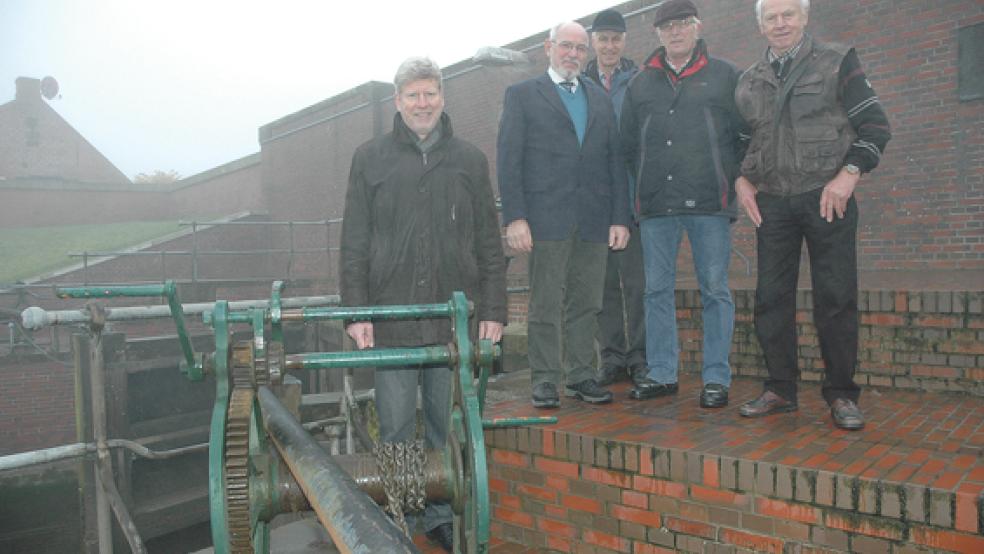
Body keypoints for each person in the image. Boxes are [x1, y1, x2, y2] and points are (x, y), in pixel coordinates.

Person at [339, 57, 507, 551]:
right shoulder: (369, 158)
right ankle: (399, 511)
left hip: (449, 319)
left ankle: (437, 514)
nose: (422, 103)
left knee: (443, 422)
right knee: (392, 426)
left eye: (430, 93)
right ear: (398, 101)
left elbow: (488, 243)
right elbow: (354, 241)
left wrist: (492, 309)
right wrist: (357, 311)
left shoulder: (470, 160)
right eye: (412, 95)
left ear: (442, 97)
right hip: (390, 317)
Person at [734, 0, 891, 430]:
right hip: (774, 204)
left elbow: (876, 125)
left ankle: (842, 394)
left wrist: (850, 174)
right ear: (761, 26)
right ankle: (780, 389)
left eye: (788, 15)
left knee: (836, 299)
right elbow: (742, 141)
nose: (780, 23)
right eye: (771, 17)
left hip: (828, 198)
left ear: (804, 18)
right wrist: (742, 179)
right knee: (770, 300)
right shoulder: (750, 80)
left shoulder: (839, 62)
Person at [497, 21, 631, 409]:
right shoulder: (522, 95)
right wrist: (515, 217)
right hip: (544, 218)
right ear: (548, 47)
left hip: (593, 217)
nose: (573, 54)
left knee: (587, 301)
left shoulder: (599, 97)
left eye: (580, 48)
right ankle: (544, 379)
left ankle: (581, 375)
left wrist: (619, 217)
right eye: (566, 46)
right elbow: (509, 160)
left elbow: (613, 160)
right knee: (544, 302)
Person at [620, 0, 747, 408]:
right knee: (656, 290)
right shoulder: (640, 83)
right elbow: (626, 146)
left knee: (714, 289)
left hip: (710, 202)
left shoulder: (726, 75)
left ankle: (715, 378)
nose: (675, 32)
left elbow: (745, 136)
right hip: (657, 206)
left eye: (682, 24)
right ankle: (661, 373)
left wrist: (735, 180)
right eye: (667, 27)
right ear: (657, 34)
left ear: (698, 27)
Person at [584, 8, 647, 388]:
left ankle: (639, 356)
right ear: (594, 41)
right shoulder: (579, 83)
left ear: (624, 41)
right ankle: (611, 357)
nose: (609, 46)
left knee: (637, 284)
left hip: (634, 200)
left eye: (615, 38)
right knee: (602, 285)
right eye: (603, 38)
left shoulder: (639, 81)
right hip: (594, 202)